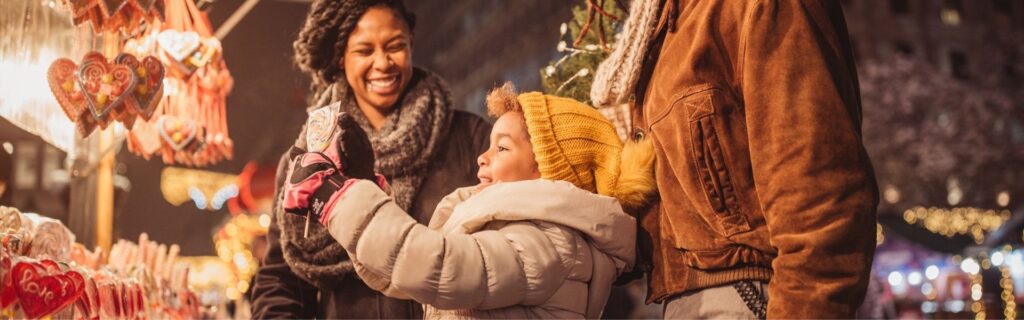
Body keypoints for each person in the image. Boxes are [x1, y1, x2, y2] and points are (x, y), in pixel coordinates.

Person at [589, 0, 879, 318]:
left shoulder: (754, 8)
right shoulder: (664, 30)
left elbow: (821, 203)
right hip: (686, 302)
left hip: (753, 296)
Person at [280, 83, 655, 318]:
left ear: (548, 170)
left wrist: (336, 197)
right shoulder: (518, 228)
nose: (482, 156)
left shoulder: (549, 241)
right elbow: (405, 274)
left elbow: (441, 267)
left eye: (502, 147)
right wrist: (358, 188)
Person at [250, 0, 490, 318]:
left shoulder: (471, 139)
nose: (383, 63)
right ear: (340, 57)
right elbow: (281, 282)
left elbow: (502, 251)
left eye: (394, 46)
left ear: (411, 44)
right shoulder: (308, 159)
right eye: (364, 51)